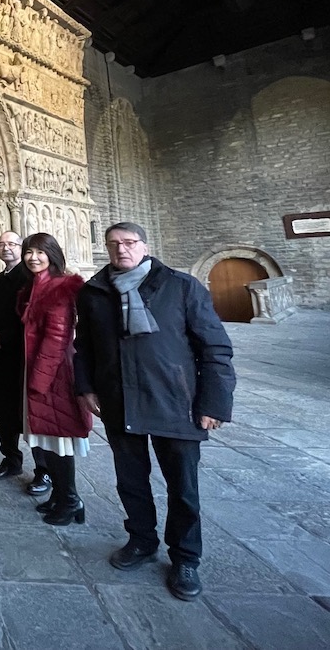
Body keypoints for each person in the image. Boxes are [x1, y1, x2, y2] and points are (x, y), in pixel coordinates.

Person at [74, 222, 236, 602]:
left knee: (183, 486)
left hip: (174, 400)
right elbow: (85, 347)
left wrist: (213, 403)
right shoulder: (94, 292)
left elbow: (214, 347)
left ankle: (185, 558)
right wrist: (86, 387)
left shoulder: (180, 286)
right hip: (119, 399)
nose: (121, 250)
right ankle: (141, 540)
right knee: (131, 480)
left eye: (129, 242)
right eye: (113, 244)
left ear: (144, 246)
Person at [17, 233, 90, 526]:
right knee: (48, 439)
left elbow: (56, 339)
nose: (33, 257)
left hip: (52, 375)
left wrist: (39, 380)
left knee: (58, 441)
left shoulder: (59, 288)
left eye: (40, 252)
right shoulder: (36, 285)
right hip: (39, 370)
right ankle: (61, 496)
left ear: (53, 254)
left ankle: (71, 501)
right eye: (29, 252)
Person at [0, 231, 50, 490]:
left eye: (11, 244)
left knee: (31, 414)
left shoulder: (31, 278)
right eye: (1, 244)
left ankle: (44, 469)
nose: (6, 248)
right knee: (4, 413)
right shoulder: (0, 278)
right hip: (0, 356)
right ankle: (11, 459)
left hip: (23, 356)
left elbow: (31, 319)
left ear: (21, 248)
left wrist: (5, 336)